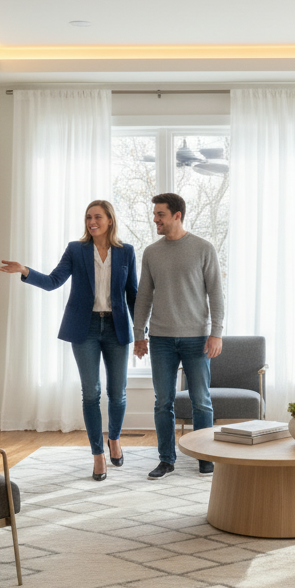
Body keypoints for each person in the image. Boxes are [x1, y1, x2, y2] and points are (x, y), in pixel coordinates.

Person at [0, 200, 137, 481]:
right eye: (87, 217)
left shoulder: (127, 252)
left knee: (118, 393)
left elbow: (133, 294)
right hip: (83, 329)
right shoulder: (76, 249)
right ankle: (98, 454)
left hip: (116, 327)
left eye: (97, 216)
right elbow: (53, 281)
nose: (91, 221)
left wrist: (143, 333)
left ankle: (115, 439)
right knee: (91, 392)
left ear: (110, 219)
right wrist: (25, 270)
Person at [133, 193, 225, 480]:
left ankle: (203, 456)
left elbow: (216, 294)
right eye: (155, 214)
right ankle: (166, 459)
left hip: (197, 338)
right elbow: (144, 296)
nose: (155, 219)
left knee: (201, 400)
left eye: (160, 214)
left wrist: (216, 333)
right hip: (160, 338)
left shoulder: (203, 248)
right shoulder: (151, 252)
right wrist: (139, 334)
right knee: (163, 401)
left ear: (177, 215)